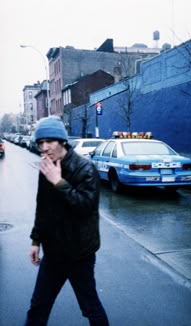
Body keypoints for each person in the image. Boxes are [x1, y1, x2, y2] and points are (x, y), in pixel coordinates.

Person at [24, 116, 109, 326]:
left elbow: (85, 207)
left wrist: (58, 182)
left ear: (62, 141)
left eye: (49, 142)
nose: (44, 148)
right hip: (53, 253)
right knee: (38, 307)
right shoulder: (47, 167)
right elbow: (42, 207)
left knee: (90, 308)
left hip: (79, 254)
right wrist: (36, 241)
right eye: (40, 143)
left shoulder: (85, 169)